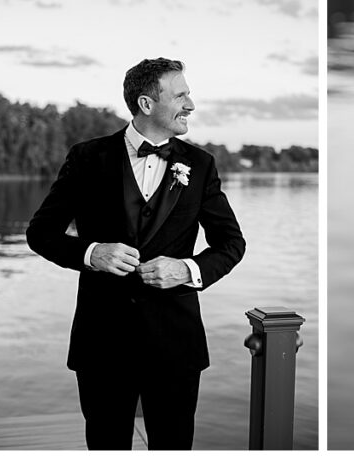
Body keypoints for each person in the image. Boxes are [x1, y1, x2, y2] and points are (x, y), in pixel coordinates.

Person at [27, 58, 246, 450]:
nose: (191, 104)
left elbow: (232, 244)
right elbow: (40, 233)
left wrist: (187, 268)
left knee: (174, 446)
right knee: (106, 445)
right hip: (102, 343)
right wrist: (92, 253)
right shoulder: (86, 158)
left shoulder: (200, 164)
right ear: (146, 104)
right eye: (180, 95)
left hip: (176, 344)